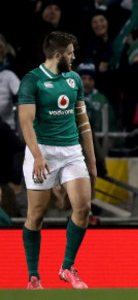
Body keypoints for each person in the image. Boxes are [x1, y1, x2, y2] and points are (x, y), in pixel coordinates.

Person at [17, 31, 97, 289]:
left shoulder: (74, 80)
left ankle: (67, 267)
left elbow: (83, 122)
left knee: (83, 208)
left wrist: (92, 162)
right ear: (58, 54)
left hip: (71, 150)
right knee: (37, 215)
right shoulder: (32, 81)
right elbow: (25, 122)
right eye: (71, 53)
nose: (74, 58)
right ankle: (33, 276)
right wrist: (38, 156)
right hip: (42, 150)